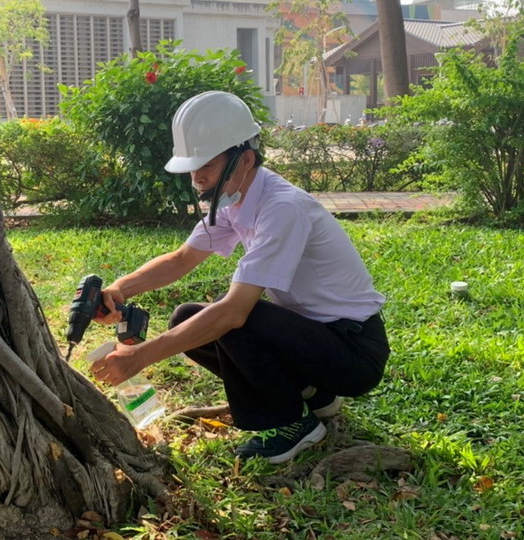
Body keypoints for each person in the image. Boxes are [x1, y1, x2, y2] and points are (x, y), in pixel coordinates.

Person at [90, 91, 390, 464]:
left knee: (233, 318)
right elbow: (182, 259)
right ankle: (313, 395)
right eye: (192, 169)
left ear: (245, 159)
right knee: (186, 317)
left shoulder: (282, 208)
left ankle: (292, 423)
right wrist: (120, 288)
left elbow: (233, 313)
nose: (197, 178)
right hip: (314, 337)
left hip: (354, 350)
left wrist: (139, 358)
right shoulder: (235, 198)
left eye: (206, 167)